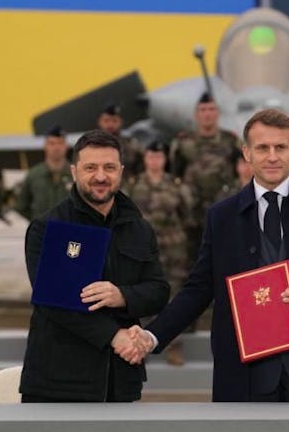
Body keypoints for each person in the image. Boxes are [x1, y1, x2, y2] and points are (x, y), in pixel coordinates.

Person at [133, 108, 289, 401]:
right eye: (262, 148)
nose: (272, 156)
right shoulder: (221, 217)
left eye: (280, 147)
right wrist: (153, 335)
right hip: (245, 374)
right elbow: (199, 289)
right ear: (247, 153)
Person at [19, 130, 169, 402]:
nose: (101, 176)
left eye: (109, 167)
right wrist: (114, 336)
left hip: (120, 382)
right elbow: (54, 302)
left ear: (121, 171)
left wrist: (122, 295)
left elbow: (158, 291)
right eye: (91, 168)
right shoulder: (50, 227)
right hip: (58, 384)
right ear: (74, 171)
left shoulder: (138, 228)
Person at [123, 140, 195, 366]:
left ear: (164, 160)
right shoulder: (133, 186)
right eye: (151, 157)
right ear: (145, 159)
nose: (154, 161)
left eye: (159, 157)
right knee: (142, 297)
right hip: (142, 251)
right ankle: (139, 345)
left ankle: (173, 347)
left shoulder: (176, 186)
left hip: (173, 252)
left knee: (174, 299)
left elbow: (188, 216)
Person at [169, 92, 241, 267]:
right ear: (196, 114)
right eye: (202, 110)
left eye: (211, 109)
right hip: (191, 216)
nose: (207, 114)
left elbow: (241, 171)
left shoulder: (231, 141)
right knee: (194, 265)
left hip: (223, 212)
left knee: (226, 262)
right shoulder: (183, 142)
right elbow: (174, 174)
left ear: (217, 113)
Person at [15, 125, 73, 220]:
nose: (56, 147)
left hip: (69, 230)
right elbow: (21, 206)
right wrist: (37, 221)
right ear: (45, 146)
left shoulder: (76, 174)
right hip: (41, 232)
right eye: (52, 143)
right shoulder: (34, 174)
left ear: (66, 146)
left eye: (60, 143)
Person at [97, 102, 145, 176]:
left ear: (121, 122)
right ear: (99, 122)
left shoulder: (132, 145)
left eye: (114, 121)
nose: (110, 125)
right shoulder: (90, 145)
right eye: (106, 121)